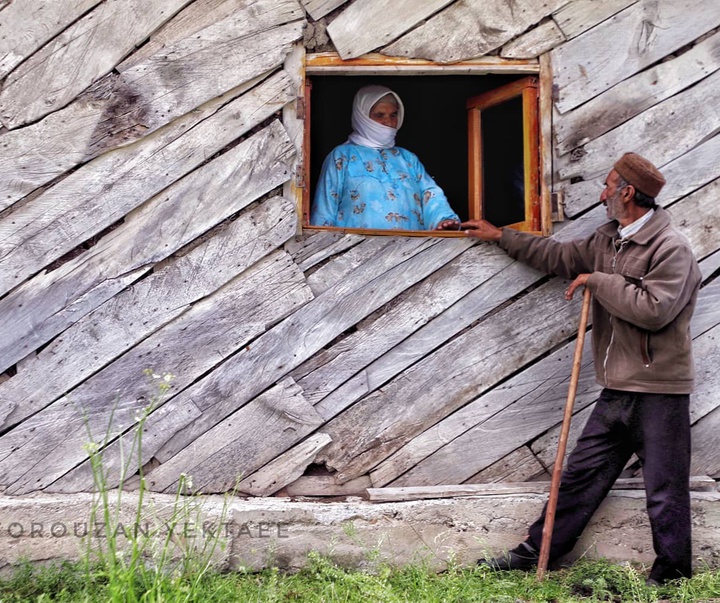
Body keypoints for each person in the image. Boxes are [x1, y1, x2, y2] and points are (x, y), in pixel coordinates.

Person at [463, 152, 702, 585]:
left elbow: (654, 310)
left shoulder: (672, 249)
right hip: (617, 387)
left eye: (609, 185)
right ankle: (537, 553)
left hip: (659, 390)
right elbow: (559, 257)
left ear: (627, 192)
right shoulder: (608, 238)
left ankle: (672, 577)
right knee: (579, 476)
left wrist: (597, 281)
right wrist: (501, 235)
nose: (602, 193)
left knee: (665, 490)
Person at [311, 85, 461, 231]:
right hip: (357, 253)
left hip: (411, 252)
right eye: (379, 115)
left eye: (393, 115)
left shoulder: (408, 159)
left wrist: (444, 220)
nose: (388, 122)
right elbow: (324, 210)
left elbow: (430, 194)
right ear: (362, 116)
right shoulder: (342, 156)